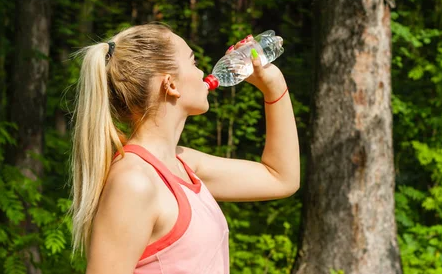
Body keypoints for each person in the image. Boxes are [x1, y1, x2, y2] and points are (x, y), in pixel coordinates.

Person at [70, 23, 300, 274]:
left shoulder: (183, 164)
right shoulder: (134, 182)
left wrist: (274, 85)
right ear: (170, 85)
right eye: (193, 62)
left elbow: (281, 178)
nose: (202, 72)